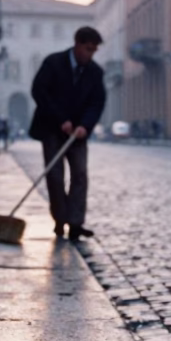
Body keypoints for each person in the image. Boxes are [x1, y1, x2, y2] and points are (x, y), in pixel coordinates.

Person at [29, 26, 106, 241]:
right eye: (88, 49)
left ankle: (75, 223)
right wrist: (60, 119)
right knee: (55, 176)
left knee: (79, 175)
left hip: (78, 134)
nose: (90, 54)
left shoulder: (95, 72)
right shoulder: (53, 63)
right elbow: (39, 91)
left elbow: (97, 102)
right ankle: (60, 220)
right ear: (77, 44)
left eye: (94, 51)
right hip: (52, 130)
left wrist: (85, 125)